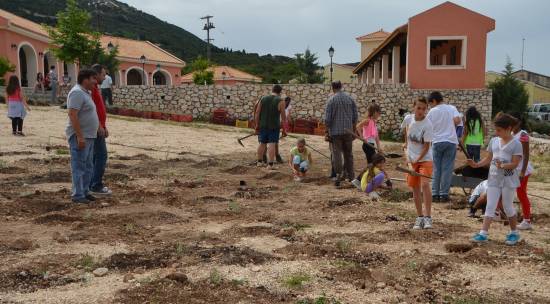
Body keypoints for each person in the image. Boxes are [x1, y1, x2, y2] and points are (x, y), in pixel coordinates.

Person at [468, 113, 523, 245]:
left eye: (499, 130)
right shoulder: (494, 141)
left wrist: (503, 165)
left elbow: (515, 164)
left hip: (508, 180)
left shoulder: (516, 144)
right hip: (493, 178)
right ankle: (483, 233)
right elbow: (488, 159)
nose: (496, 133)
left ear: (509, 128)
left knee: (507, 206)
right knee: (490, 205)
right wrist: (476, 165)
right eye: (496, 130)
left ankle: (514, 233)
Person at [66, 69, 100, 204]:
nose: (95, 82)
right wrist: (79, 137)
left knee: (88, 166)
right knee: (79, 165)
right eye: (93, 78)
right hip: (80, 136)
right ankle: (78, 195)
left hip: (89, 136)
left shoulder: (86, 93)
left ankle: (85, 191)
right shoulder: (77, 93)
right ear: (85, 79)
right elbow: (72, 115)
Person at [405, 97, 434, 229]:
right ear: (414, 107)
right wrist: (406, 145)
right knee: (415, 187)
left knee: (425, 184)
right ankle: (419, 217)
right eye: (418, 108)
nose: (421, 111)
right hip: (411, 159)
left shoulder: (428, 124)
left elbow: (427, 146)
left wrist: (417, 159)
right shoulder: (408, 119)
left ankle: (428, 217)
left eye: (424, 108)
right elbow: (406, 131)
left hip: (425, 158)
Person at [426, 91, 461, 202]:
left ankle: (435, 194)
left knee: (437, 169)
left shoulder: (432, 111)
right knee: (447, 169)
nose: (430, 106)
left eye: (430, 103)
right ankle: (444, 194)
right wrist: (449, 125)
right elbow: (458, 120)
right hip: (450, 142)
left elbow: (427, 125)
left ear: (434, 101)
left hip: (437, 142)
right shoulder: (451, 108)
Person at [324, 81, 358, 186]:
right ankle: (351, 176)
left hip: (335, 133)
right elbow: (355, 117)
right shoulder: (350, 98)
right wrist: (353, 130)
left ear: (332, 88)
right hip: (348, 131)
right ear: (341, 87)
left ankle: (338, 176)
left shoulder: (331, 100)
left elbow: (327, 120)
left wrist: (326, 132)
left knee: (336, 154)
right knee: (349, 154)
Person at [89, 64, 112, 196]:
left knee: (95, 156)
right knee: (101, 155)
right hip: (96, 129)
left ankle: (92, 182)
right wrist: (99, 126)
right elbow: (92, 110)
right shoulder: (92, 89)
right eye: (103, 75)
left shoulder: (96, 88)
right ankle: (96, 185)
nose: (104, 77)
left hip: (99, 127)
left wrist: (104, 126)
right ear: (96, 74)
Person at [511, 112, 534, 230]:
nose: (512, 124)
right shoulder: (510, 133)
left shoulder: (523, 134)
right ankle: (499, 213)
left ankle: (527, 220)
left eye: (514, 122)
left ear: (519, 122)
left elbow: (526, 155)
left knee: (521, 194)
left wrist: (522, 172)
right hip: (512, 169)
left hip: (522, 170)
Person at [255, 85, 287, 169]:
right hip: (274, 126)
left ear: (272, 90)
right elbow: (283, 117)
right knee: (272, 144)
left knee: (262, 143)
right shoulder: (281, 101)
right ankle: (270, 164)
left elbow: (257, 113)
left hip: (263, 125)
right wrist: (284, 129)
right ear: (280, 92)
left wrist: (257, 125)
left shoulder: (263, 98)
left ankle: (259, 162)